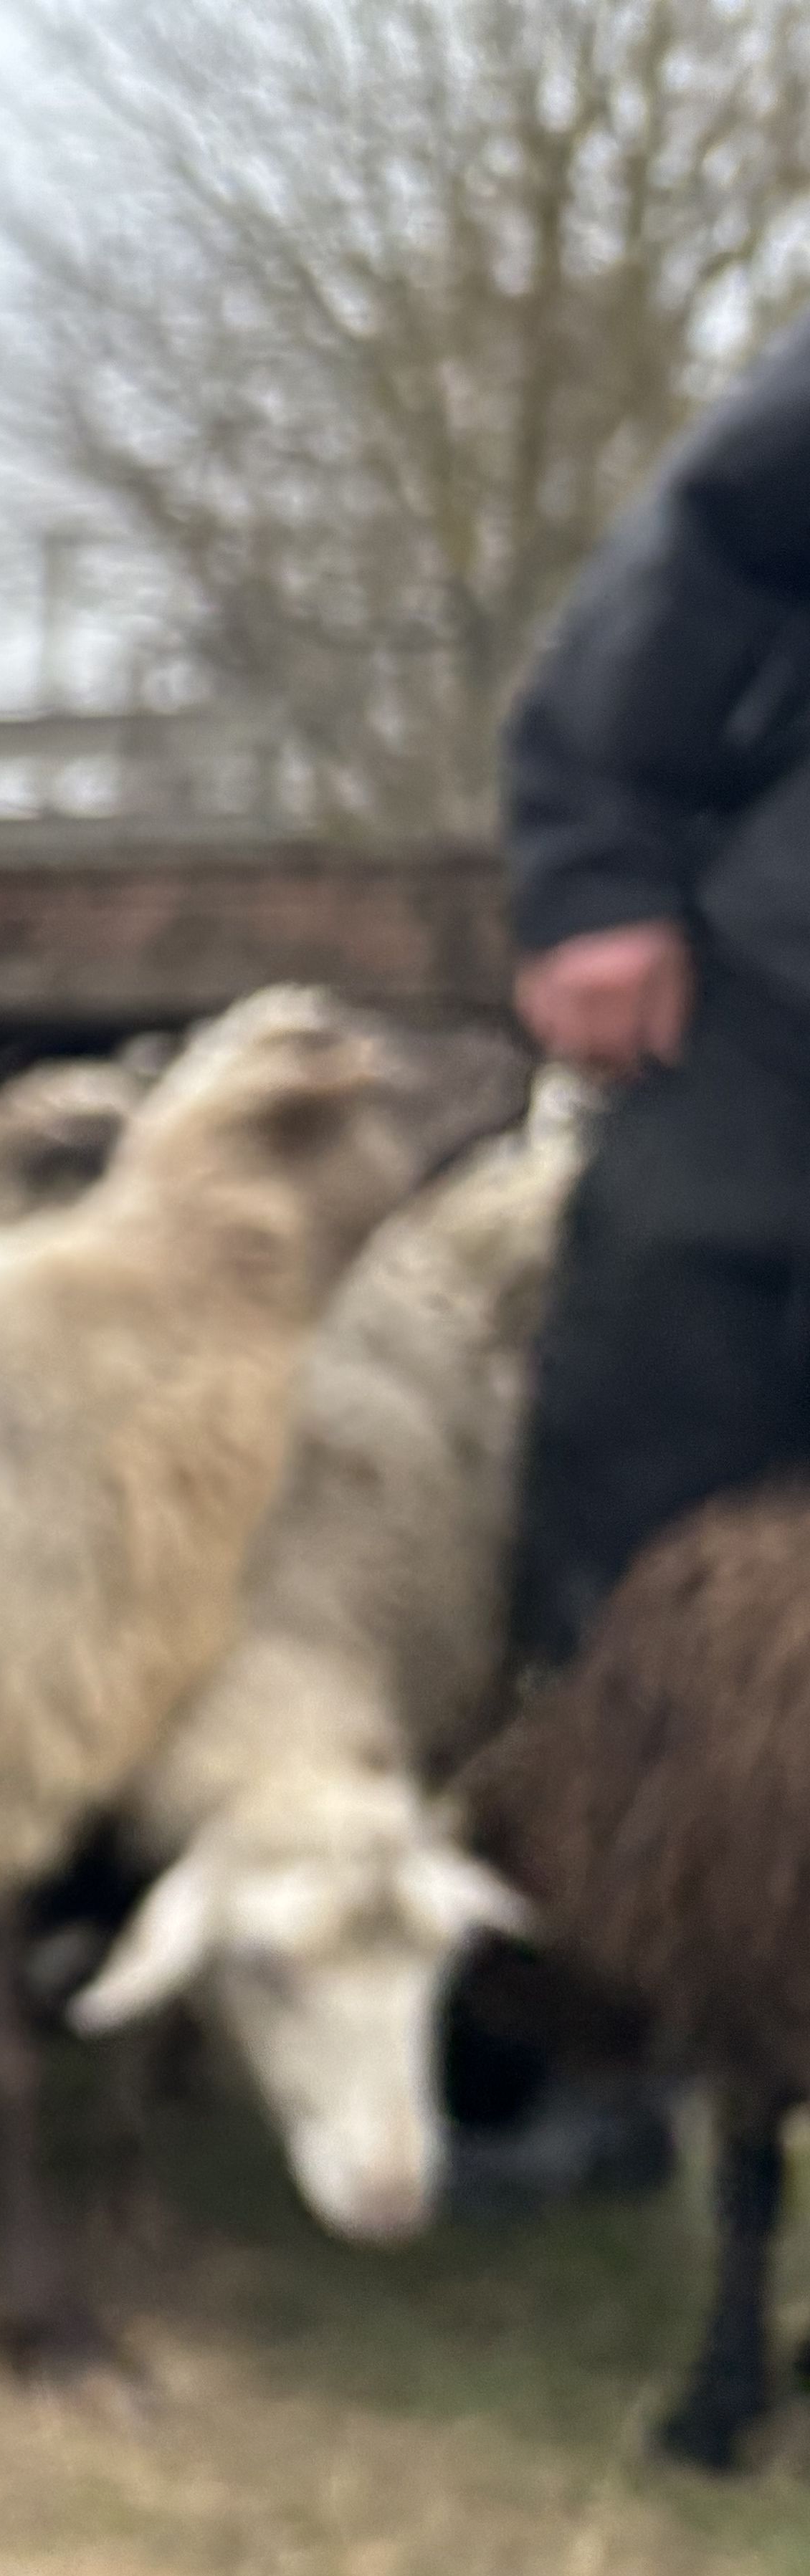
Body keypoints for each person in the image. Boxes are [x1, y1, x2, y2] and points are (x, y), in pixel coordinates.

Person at [505, 304, 810, 1667]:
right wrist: (596, 868)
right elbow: (720, 536)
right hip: (787, 975)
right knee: (674, 1325)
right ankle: (608, 1722)